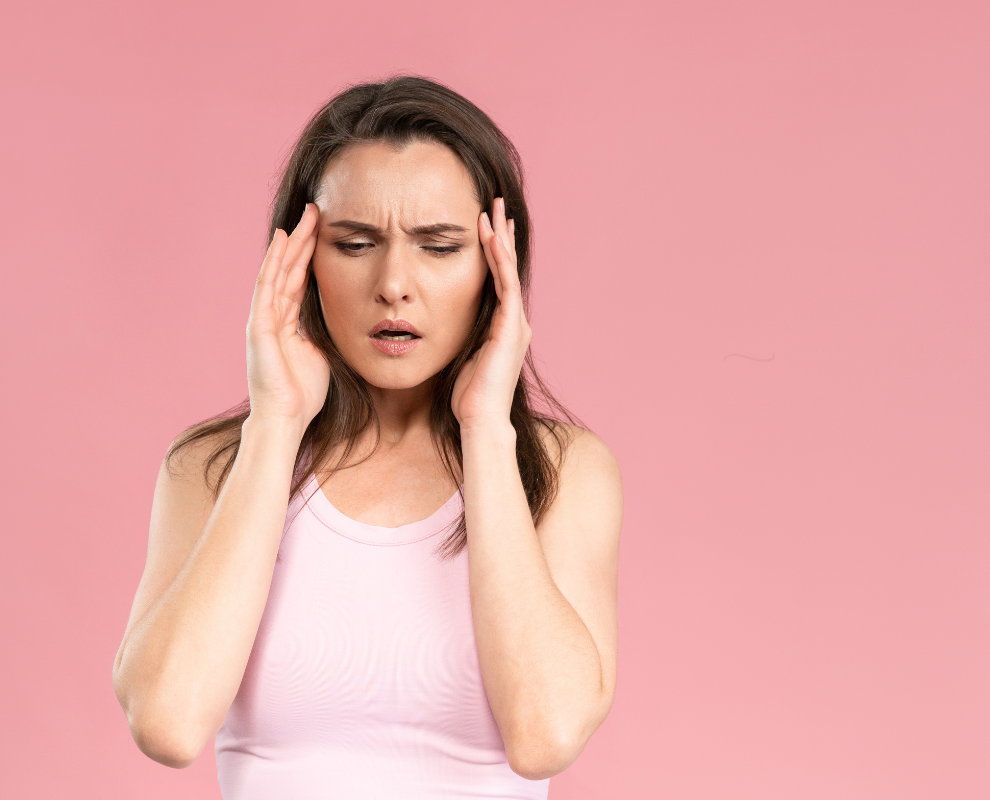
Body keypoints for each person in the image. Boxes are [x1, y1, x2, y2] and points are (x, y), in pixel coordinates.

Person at [111, 75, 623, 799]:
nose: (394, 284)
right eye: (355, 244)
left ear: (496, 268)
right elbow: (166, 723)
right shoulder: (212, 467)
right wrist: (276, 422)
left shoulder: (564, 470)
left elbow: (547, 735)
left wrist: (485, 427)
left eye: (439, 247)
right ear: (299, 260)